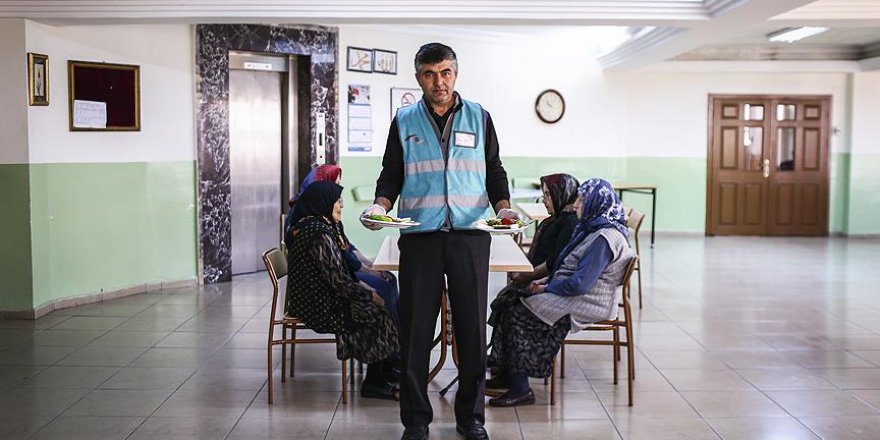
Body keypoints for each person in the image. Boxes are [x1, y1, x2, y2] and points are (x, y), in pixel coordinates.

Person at [361, 42, 517, 440]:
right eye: (430, 74)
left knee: (470, 331)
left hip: (470, 236)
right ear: (418, 78)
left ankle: (472, 419)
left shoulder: (480, 117)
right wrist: (380, 206)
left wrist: (504, 208)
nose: (439, 82)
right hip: (420, 236)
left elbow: (494, 170)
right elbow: (391, 173)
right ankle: (415, 422)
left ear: (456, 74)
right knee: (415, 333)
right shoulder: (404, 120)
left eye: (445, 73)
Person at [485, 178, 635, 407]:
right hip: (575, 293)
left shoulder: (604, 238)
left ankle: (520, 388)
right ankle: (507, 373)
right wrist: (546, 281)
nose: (575, 206)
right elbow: (565, 268)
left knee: (518, 311)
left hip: (589, 301)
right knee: (512, 299)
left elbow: (579, 284)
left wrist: (545, 287)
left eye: (582, 200)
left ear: (596, 202)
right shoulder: (590, 229)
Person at [286, 181, 399, 400]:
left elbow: (339, 273)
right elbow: (338, 280)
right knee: (377, 310)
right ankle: (374, 383)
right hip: (316, 305)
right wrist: (368, 294)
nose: (341, 205)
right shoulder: (318, 234)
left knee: (378, 301)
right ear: (323, 202)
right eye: (337, 201)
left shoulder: (320, 226)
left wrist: (364, 288)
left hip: (319, 295)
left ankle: (386, 368)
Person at [285, 164, 402, 333]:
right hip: (320, 295)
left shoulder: (325, 218)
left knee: (388, 280)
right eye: (337, 194)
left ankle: (397, 336)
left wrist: (371, 267)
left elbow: (347, 248)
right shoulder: (316, 229)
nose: (341, 203)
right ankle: (394, 340)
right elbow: (340, 264)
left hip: (329, 284)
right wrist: (367, 282)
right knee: (382, 289)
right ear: (323, 191)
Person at [509, 173, 580, 287]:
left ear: (561, 194)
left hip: (542, 282)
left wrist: (525, 275)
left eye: (548, 195)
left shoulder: (570, 223)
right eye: (544, 195)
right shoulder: (556, 218)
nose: (544, 200)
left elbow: (553, 262)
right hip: (534, 275)